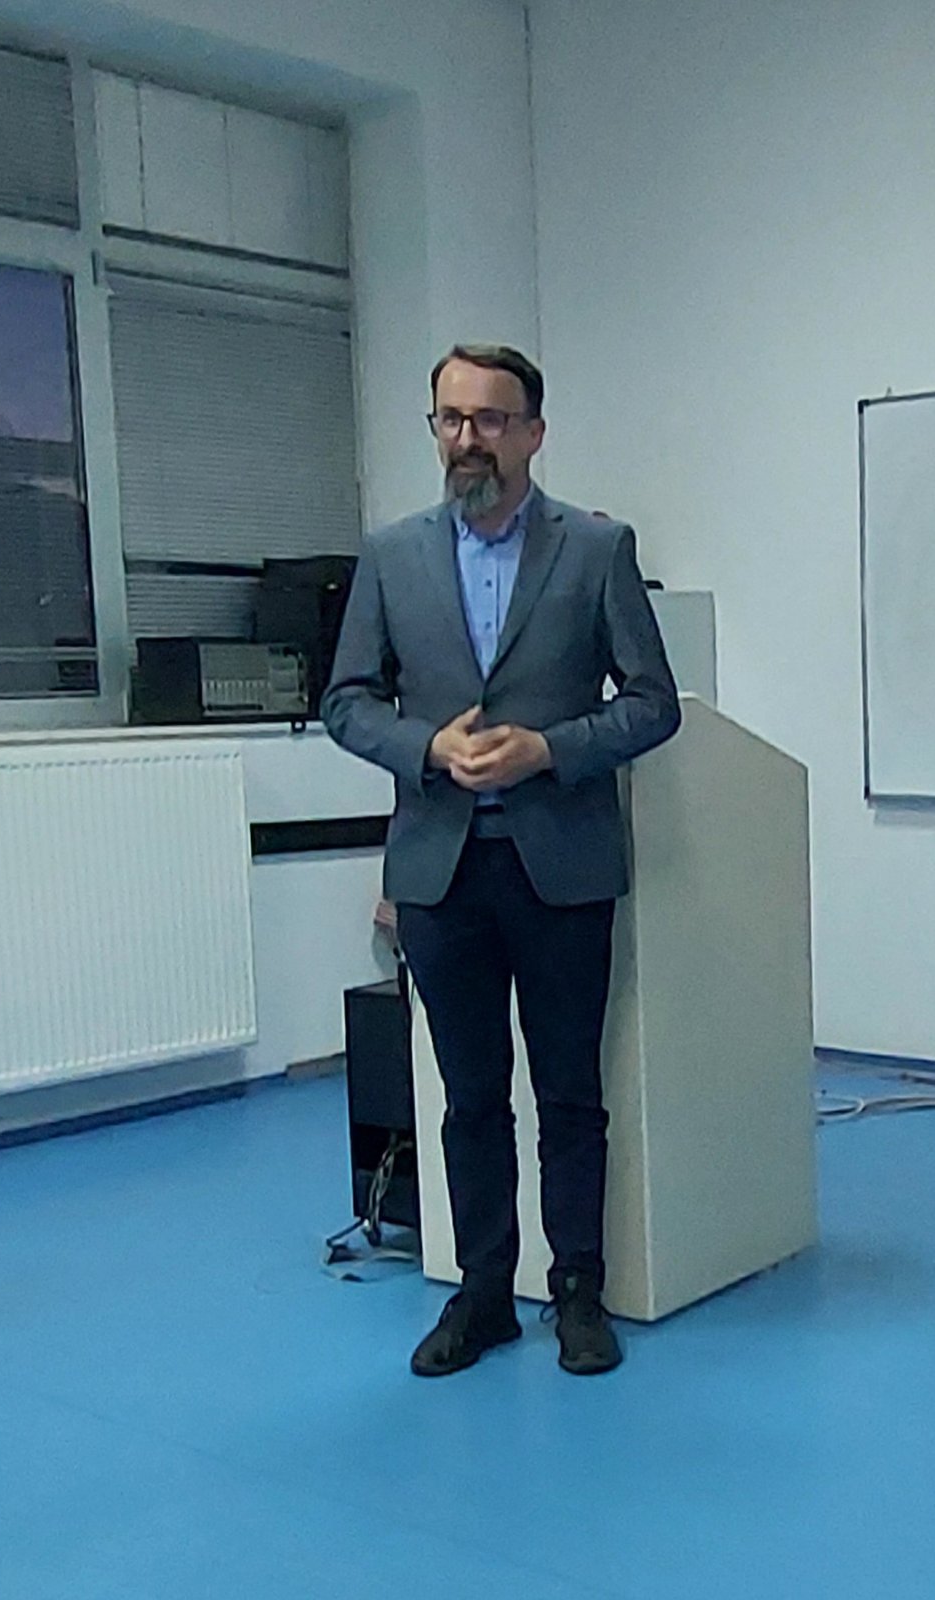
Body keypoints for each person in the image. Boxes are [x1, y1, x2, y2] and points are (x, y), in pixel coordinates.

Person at [321, 344, 681, 1377]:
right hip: (441, 874)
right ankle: (483, 1296)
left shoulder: (595, 549)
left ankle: (578, 1293)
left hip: (559, 865)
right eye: (450, 419)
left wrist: (549, 750)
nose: (466, 438)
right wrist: (427, 746)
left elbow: (651, 703)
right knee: (469, 1098)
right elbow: (346, 700)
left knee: (568, 1094)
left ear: (532, 432)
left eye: (488, 419)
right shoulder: (391, 555)